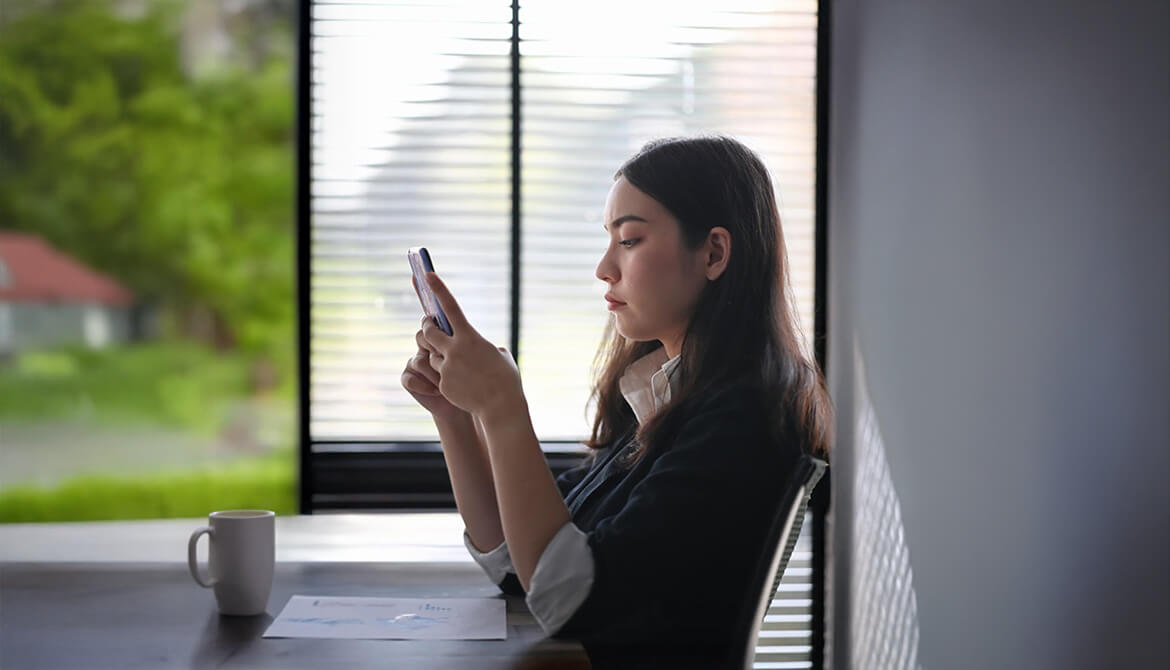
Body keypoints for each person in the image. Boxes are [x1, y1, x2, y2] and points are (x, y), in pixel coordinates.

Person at [400, 135, 832, 667]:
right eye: (609, 240)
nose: (604, 267)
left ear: (714, 253)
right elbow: (520, 565)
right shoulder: (663, 398)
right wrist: (454, 414)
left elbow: (569, 598)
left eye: (629, 241)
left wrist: (502, 407)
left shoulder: (741, 417)